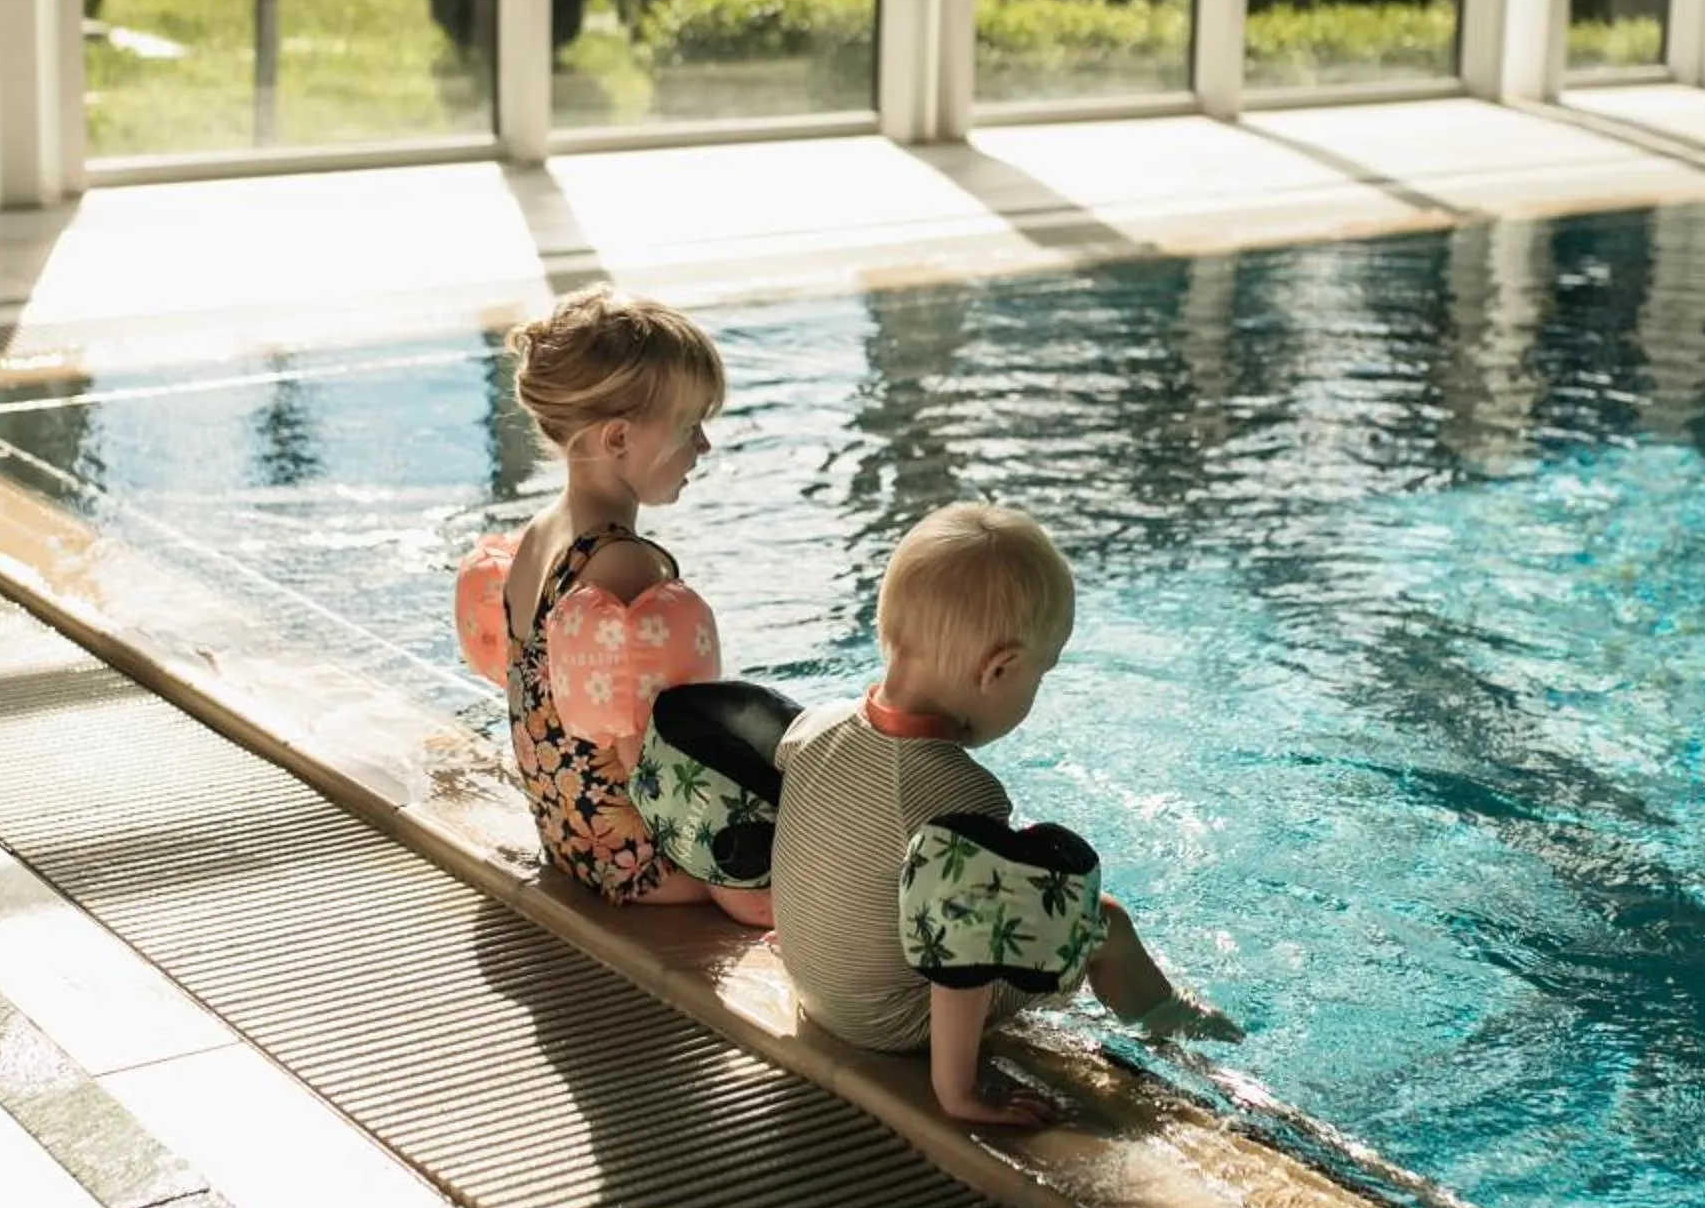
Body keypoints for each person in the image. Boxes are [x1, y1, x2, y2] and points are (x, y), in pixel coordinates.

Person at [767, 501, 1240, 1126]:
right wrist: (958, 1091)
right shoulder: (958, 792)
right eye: (1040, 676)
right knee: (1103, 922)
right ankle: (1180, 1031)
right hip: (890, 1022)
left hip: (813, 986)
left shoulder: (815, 726)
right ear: (1000, 668)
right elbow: (964, 954)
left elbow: (819, 838)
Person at [485, 289, 772, 923]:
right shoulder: (623, 567)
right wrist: (747, 885)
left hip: (572, 845)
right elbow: (656, 765)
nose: (704, 446)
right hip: (643, 867)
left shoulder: (538, 536)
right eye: (690, 427)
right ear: (618, 437)